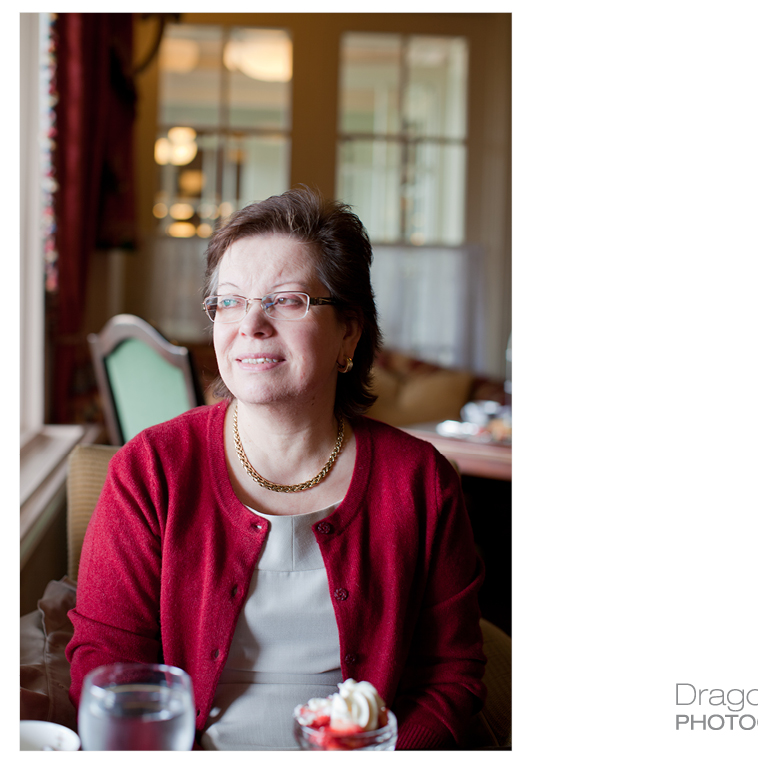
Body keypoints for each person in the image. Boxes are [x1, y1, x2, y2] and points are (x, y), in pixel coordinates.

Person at [66, 186, 487, 750]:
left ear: (349, 332)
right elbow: (107, 665)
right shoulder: (149, 471)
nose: (251, 324)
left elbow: (450, 677)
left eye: (287, 300)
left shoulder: (421, 483)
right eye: (230, 301)